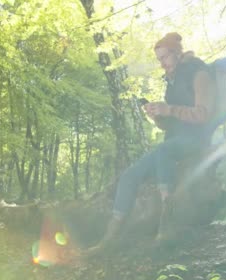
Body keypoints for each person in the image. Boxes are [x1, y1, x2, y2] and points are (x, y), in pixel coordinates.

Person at [88, 32, 217, 252]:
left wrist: (169, 109)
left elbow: (203, 114)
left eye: (164, 58)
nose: (162, 64)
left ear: (177, 53)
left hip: (197, 140)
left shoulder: (199, 72)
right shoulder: (171, 81)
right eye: (159, 60)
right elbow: (169, 125)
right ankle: (111, 236)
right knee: (129, 176)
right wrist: (158, 116)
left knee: (163, 151)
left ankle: (167, 221)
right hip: (173, 143)